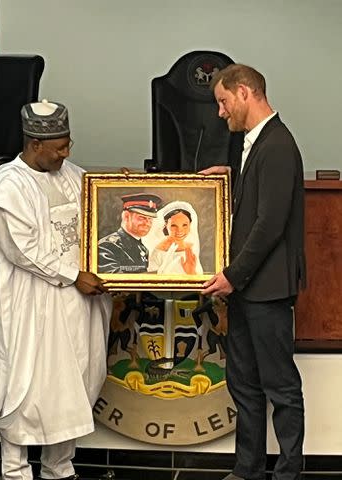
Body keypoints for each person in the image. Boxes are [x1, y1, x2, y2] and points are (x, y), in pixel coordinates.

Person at [0, 99, 112, 480]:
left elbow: (100, 205)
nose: (67, 152)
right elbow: (21, 249)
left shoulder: (69, 174)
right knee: (25, 384)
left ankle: (59, 468)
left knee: (72, 382)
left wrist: (121, 191)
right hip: (28, 303)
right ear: (35, 144)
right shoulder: (8, 184)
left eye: (68, 144)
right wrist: (72, 275)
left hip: (72, 302)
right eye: (60, 146)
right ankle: (15, 471)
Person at [201, 64, 306, 480]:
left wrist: (231, 275)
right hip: (247, 290)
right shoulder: (254, 145)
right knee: (243, 384)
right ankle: (247, 470)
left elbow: (269, 225)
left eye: (224, 103)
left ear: (245, 93)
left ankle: (287, 473)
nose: (220, 113)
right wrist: (231, 178)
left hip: (265, 290)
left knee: (280, 387)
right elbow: (259, 196)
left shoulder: (278, 144)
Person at [97, 193, 162, 273]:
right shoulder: (106, 247)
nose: (147, 223)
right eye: (142, 218)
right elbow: (113, 280)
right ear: (126, 216)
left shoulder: (143, 249)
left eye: (150, 219)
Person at [144, 200, 203, 274]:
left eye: (185, 225)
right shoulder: (158, 252)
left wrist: (191, 272)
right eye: (173, 225)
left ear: (190, 224)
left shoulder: (191, 248)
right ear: (165, 225)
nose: (180, 231)